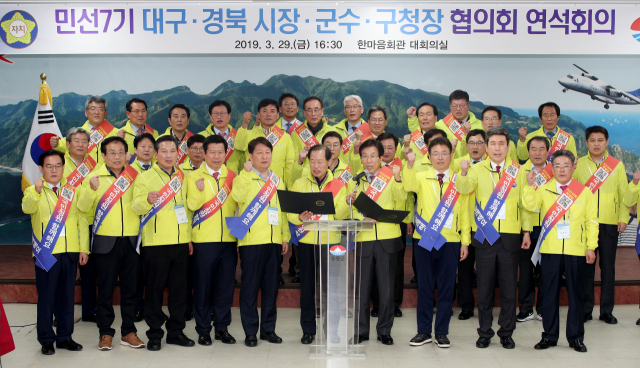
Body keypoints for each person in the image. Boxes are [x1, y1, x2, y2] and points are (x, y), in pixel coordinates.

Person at [457, 126, 530, 350]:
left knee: (509, 290)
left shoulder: (518, 172)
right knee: (485, 290)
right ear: (486, 147)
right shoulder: (477, 170)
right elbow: (463, 191)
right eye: (493, 144)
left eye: (502, 144)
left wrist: (526, 231)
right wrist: (463, 172)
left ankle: (506, 333)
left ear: (508, 147)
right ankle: (484, 332)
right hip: (485, 237)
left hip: (510, 238)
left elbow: (525, 206)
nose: (497, 148)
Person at [522, 150, 598, 353]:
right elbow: (529, 204)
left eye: (566, 165)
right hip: (551, 250)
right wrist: (529, 185)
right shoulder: (544, 189)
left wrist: (591, 246)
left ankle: (575, 337)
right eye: (558, 165)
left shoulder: (583, 191)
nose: (562, 169)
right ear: (552, 168)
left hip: (576, 250)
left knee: (576, 295)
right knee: (549, 294)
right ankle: (549, 336)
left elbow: (591, 221)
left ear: (574, 167)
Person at [77, 136, 145, 351]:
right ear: (103, 155)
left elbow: (143, 207)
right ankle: (105, 333)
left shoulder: (136, 176)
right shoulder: (93, 177)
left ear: (127, 155)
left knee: (130, 290)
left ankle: (129, 332)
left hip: (132, 241)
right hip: (105, 242)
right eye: (111, 153)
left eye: (120, 153)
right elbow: (82, 210)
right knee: (105, 291)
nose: (116, 157)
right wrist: (90, 189)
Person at [403, 137, 470, 348]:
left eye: (444, 153)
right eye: (436, 154)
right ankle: (423, 332)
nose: (440, 157)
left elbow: (465, 213)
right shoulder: (421, 177)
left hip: (450, 241)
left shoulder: (459, 180)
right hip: (424, 239)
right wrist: (410, 163)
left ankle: (441, 332)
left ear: (452, 156)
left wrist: (465, 242)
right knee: (424, 286)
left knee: (446, 287)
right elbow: (408, 183)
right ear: (429, 157)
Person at [23, 150, 88, 355]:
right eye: (49, 166)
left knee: (67, 298)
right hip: (46, 254)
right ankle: (46, 339)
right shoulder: (33, 191)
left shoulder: (71, 190)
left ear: (63, 167)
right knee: (47, 299)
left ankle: (64, 337)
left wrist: (83, 248)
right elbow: (27, 208)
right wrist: (35, 191)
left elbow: (81, 221)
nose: (54, 170)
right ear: (41, 169)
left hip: (69, 252)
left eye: (58, 165)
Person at [132, 135, 194, 351]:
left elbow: (188, 209)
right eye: (164, 151)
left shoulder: (183, 177)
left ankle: (176, 332)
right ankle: (155, 334)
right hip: (155, 244)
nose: (169, 155)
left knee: (179, 291)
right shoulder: (144, 178)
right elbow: (136, 207)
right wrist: (146, 201)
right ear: (156, 154)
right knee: (154, 292)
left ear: (179, 154)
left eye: (173, 151)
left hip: (180, 243)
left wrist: (188, 239)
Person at [344, 139, 406, 346]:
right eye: (364, 156)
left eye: (373, 156)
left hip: (388, 238)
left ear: (381, 157)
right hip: (364, 238)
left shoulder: (392, 177)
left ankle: (384, 331)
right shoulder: (355, 181)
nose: (368, 160)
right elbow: (348, 214)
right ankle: (361, 331)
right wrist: (349, 204)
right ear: (360, 158)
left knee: (386, 290)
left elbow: (401, 202)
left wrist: (397, 180)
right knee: (361, 289)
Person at [229, 137, 290, 347]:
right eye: (259, 153)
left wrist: (284, 236)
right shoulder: (242, 177)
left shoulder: (277, 179)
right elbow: (237, 196)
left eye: (268, 152)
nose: (264, 157)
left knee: (271, 288)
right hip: (251, 242)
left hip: (273, 243)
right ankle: (250, 332)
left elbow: (281, 212)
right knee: (250, 289)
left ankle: (268, 330)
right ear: (251, 156)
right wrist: (245, 174)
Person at [288, 144, 347, 344]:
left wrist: (347, 203)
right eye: (312, 161)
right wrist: (299, 216)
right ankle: (308, 330)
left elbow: (341, 215)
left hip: (331, 243)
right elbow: (289, 212)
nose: (316, 165)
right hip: (307, 242)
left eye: (320, 161)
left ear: (329, 162)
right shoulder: (299, 184)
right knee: (307, 288)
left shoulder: (340, 185)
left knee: (332, 289)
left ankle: (332, 330)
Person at [235, 99, 296, 286]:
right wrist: (245, 124)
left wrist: (287, 189)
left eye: (272, 111)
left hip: (276, 189)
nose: (268, 114)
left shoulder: (285, 137)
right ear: (258, 115)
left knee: (274, 231)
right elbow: (238, 146)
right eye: (264, 111)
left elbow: (289, 165)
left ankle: (274, 275)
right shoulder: (251, 133)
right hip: (252, 189)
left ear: (278, 115)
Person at [187, 135, 239, 346]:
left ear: (226, 154)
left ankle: (222, 328)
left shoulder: (233, 176)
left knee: (225, 287)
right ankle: (203, 330)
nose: (217, 157)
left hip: (228, 240)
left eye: (221, 152)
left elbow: (239, 207)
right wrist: (199, 191)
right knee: (202, 287)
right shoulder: (193, 177)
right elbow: (191, 206)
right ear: (204, 154)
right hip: (203, 240)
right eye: (212, 152)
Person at [574, 126, 629, 324]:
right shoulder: (578, 165)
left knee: (608, 267)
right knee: (586, 268)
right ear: (586, 142)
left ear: (606, 142)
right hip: (586, 224)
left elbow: (623, 195)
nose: (596, 143)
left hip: (609, 222)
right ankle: (586, 309)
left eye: (600, 140)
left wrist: (622, 218)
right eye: (592, 140)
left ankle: (606, 310)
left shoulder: (617, 165)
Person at [370, 133, 414, 319]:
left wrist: (409, 219)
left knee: (395, 266)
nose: (387, 151)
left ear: (396, 149)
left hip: (397, 222)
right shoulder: (371, 169)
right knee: (373, 265)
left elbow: (409, 196)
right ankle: (377, 303)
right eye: (383, 147)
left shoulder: (402, 168)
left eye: (390, 147)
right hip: (372, 223)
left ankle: (395, 303)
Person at [62, 127, 98, 324]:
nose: (81, 144)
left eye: (84, 141)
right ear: (68, 144)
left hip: (89, 221)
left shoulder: (94, 165)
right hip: (65, 223)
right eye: (76, 140)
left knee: (89, 271)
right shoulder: (59, 165)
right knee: (64, 272)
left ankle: (89, 310)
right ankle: (60, 314)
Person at [453, 129, 487, 320]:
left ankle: (485, 304)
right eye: (471, 143)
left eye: (479, 143)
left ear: (486, 146)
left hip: (484, 226)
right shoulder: (457, 164)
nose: (475, 147)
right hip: (463, 224)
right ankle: (466, 306)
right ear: (466, 146)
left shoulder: (491, 167)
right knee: (464, 268)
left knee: (484, 269)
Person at [517, 136, 551, 323]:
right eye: (533, 149)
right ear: (528, 151)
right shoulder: (520, 171)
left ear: (548, 151)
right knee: (525, 269)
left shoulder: (554, 172)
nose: (537, 153)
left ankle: (545, 307)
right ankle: (526, 307)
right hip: (526, 228)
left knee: (547, 269)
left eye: (541, 149)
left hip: (549, 227)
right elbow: (521, 204)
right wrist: (526, 231)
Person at [51, 96, 124, 166]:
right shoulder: (77, 133)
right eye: (93, 109)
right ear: (86, 113)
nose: (96, 112)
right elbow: (64, 144)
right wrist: (56, 144)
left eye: (100, 109)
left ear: (105, 114)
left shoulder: (117, 134)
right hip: (85, 176)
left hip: (107, 176)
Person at [130, 132, 156, 322]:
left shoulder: (162, 170)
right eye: (142, 147)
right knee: (136, 273)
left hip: (157, 229)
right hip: (134, 228)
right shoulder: (127, 171)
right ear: (135, 150)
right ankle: (137, 307)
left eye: (150, 147)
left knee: (153, 273)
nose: (146, 150)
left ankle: (152, 308)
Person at [199, 100, 244, 174]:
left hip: (234, 181)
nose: (219, 117)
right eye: (216, 114)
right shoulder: (201, 137)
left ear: (229, 115)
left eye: (222, 113)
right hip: (208, 182)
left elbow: (243, 160)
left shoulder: (238, 136)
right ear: (210, 116)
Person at [292, 96, 336, 161]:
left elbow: (338, 157)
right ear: (304, 113)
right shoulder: (296, 133)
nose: (313, 114)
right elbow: (292, 159)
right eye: (309, 110)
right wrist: (300, 157)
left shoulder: (332, 132)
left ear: (322, 111)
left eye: (316, 110)